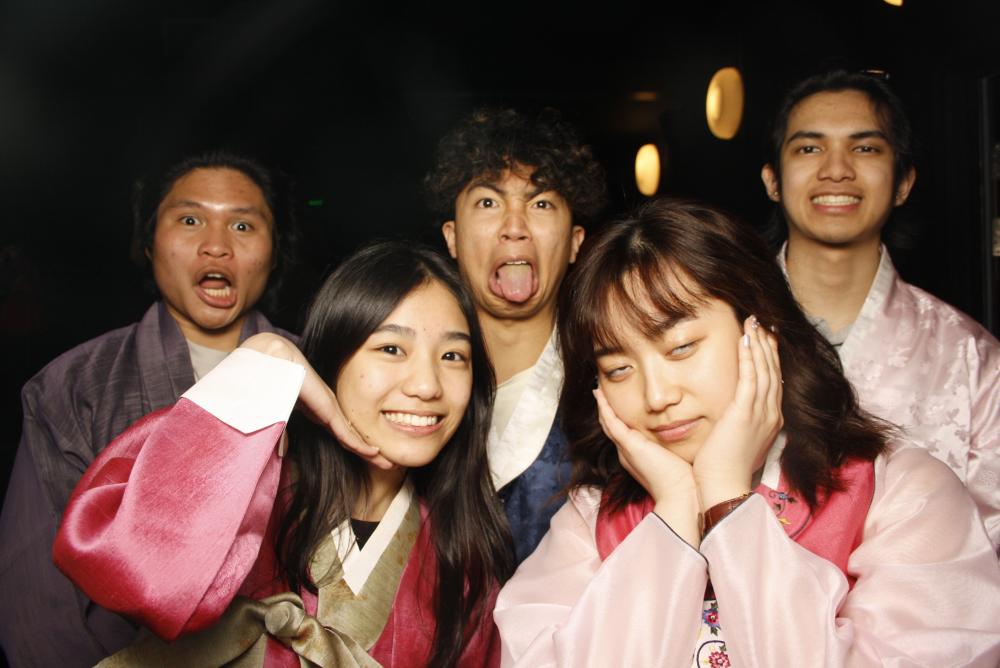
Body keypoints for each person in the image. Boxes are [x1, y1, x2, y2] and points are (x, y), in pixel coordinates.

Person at [494, 199, 1000, 667]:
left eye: (681, 348)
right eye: (618, 369)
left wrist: (728, 499)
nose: (656, 395)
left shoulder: (901, 494)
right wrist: (675, 509)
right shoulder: (590, 521)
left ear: (761, 332)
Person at [53, 241, 515, 666]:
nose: (427, 385)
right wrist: (262, 359)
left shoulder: (463, 560)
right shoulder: (248, 489)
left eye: (453, 356)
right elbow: (126, 570)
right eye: (392, 348)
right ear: (333, 358)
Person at [0, 150, 299, 666]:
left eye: (243, 225)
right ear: (147, 243)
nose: (216, 245)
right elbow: (36, 600)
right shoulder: (71, 386)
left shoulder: (327, 376)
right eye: (190, 220)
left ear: (274, 254)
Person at [760, 70, 1000, 549]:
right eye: (809, 148)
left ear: (904, 182)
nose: (836, 170)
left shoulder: (972, 358)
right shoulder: (712, 333)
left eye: (866, 148)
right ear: (773, 181)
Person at [425, 107, 607, 561]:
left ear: (576, 241)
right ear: (452, 237)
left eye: (540, 204)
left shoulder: (610, 390)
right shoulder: (409, 387)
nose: (514, 228)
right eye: (488, 203)